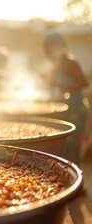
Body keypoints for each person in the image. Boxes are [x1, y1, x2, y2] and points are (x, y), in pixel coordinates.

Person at [43, 29, 89, 164]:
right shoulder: (57, 64)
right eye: (47, 46)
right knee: (63, 150)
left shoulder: (70, 62)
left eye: (52, 45)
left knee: (72, 148)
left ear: (60, 45)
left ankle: (76, 180)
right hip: (65, 110)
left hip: (76, 110)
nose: (50, 49)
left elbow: (83, 82)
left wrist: (59, 83)